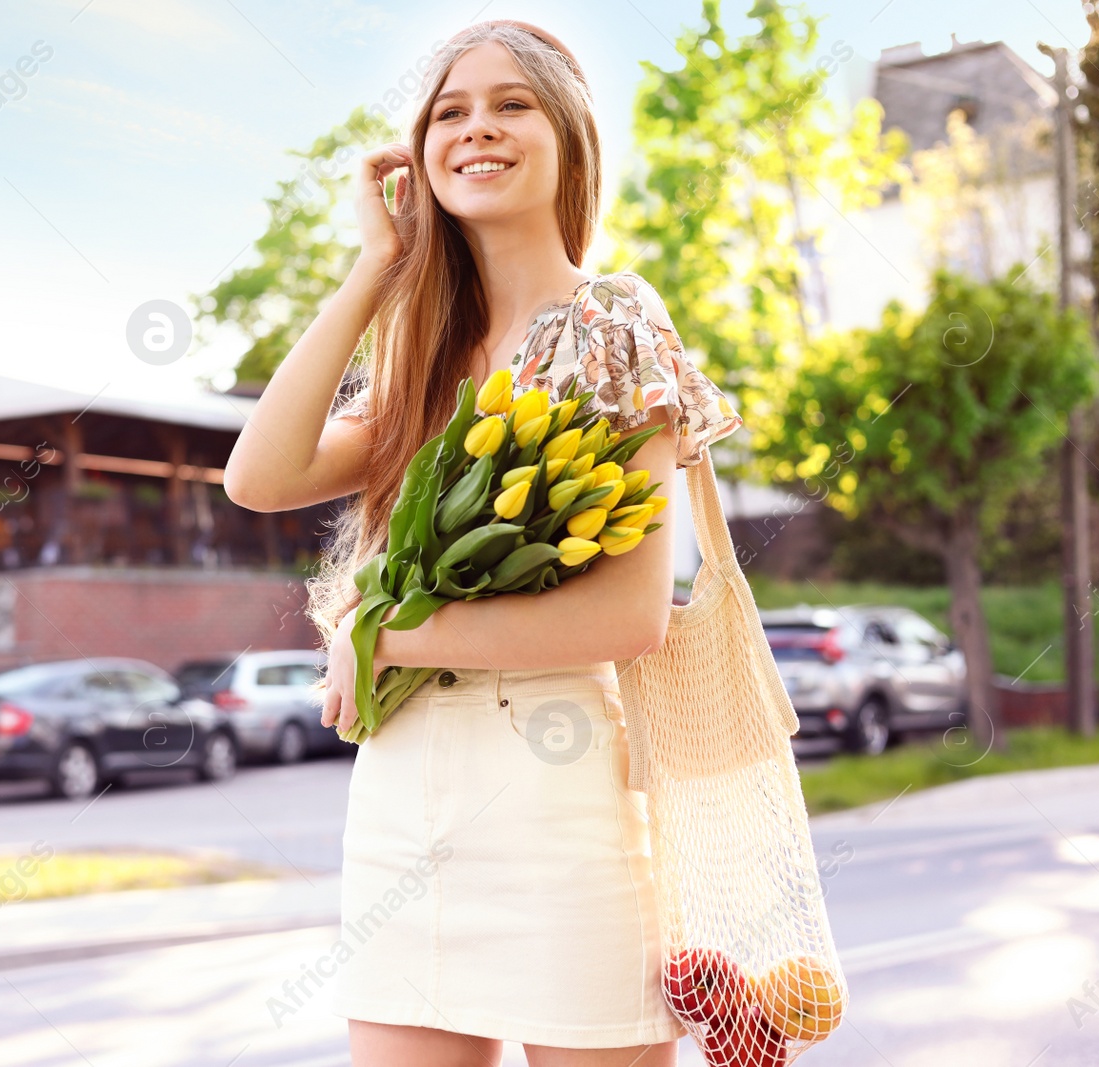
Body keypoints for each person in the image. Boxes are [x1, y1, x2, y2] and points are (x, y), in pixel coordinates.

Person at [223, 18, 742, 1066]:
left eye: (511, 104)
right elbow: (258, 476)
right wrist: (376, 267)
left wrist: (381, 632)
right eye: (449, 113)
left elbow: (629, 615)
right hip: (402, 789)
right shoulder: (424, 357)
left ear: (568, 138)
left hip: (559, 789)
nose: (477, 129)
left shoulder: (611, 325)